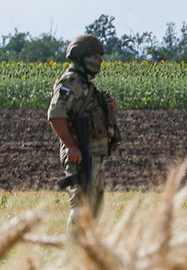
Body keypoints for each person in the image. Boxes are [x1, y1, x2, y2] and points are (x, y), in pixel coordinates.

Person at [47, 34, 121, 229]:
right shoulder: (70, 82)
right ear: (81, 57)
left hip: (94, 154)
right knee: (81, 206)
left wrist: (110, 107)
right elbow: (56, 114)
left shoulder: (86, 85)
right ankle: (73, 252)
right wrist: (71, 146)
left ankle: (86, 251)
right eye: (94, 56)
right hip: (81, 154)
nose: (98, 62)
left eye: (99, 57)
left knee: (94, 208)